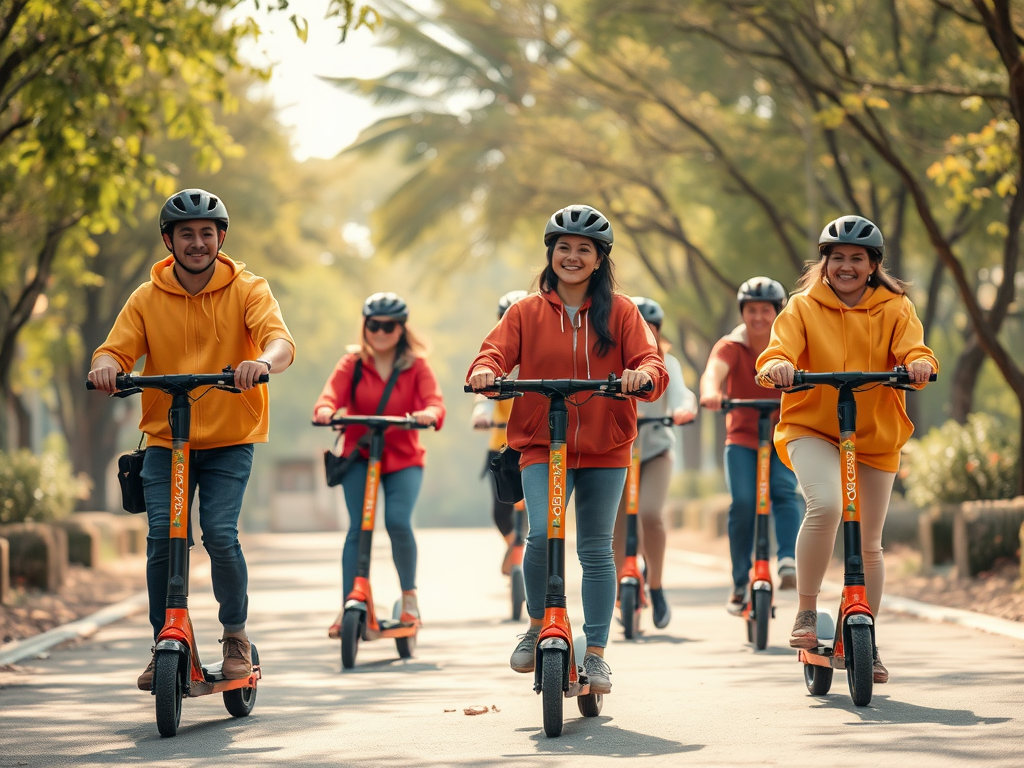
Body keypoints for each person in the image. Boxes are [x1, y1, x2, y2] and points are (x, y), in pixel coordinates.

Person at [89, 188, 296, 689]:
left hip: (229, 438)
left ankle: (235, 637)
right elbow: (114, 351)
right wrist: (105, 369)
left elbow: (279, 341)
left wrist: (261, 363)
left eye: (207, 233)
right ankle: (165, 637)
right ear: (169, 241)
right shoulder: (146, 297)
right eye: (187, 234)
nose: (198, 242)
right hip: (165, 441)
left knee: (220, 535)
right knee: (162, 538)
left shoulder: (249, 288)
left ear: (220, 238)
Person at [467, 204, 668, 694]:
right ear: (550, 254)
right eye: (564, 248)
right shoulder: (525, 312)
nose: (573, 257)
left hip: (606, 445)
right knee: (540, 536)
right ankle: (538, 625)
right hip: (540, 442)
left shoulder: (621, 311)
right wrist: (487, 372)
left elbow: (650, 361)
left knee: (597, 550)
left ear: (600, 259)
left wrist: (642, 376)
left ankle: (596, 654)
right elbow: (493, 352)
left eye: (584, 249)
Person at [756, 215, 937, 684]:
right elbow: (779, 350)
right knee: (827, 506)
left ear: (873, 264)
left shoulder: (896, 307)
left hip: (874, 434)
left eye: (858, 259)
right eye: (838, 258)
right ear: (826, 262)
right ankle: (806, 610)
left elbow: (915, 348)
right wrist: (777, 365)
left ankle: (865, 637)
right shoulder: (801, 307)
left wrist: (917, 363)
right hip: (811, 426)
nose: (847, 267)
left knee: (870, 543)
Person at [314, 292, 445, 635]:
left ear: (401, 329)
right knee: (359, 528)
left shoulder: (416, 365)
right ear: (365, 326)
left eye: (389, 326)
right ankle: (349, 603)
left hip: (403, 458)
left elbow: (434, 402)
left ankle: (410, 598)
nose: (381, 332)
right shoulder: (352, 363)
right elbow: (329, 396)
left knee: (398, 522)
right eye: (374, 325)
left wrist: (429, 414)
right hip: (360, 455)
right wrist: (326, 410)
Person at [700, 277, 802, 615]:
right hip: (743, 437)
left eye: (765, 310)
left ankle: (787, 559)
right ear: (743, 313)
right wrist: (712, 392)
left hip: (782, 433)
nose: (758, 317)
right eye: (751, 310)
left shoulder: (790, 343)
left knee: (785, 491)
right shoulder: (731, 345)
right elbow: (714, 371)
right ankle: (740, 581)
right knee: (743, 502)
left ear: (777, 312)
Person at [612, 297, 696, 630]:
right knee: (618, 520)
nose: (645, 333)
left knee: (649, 513)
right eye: (637, 327)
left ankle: (657, 586)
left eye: (652, 329)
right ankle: (622, 584)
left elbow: (682, 395)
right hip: (619, 450)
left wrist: (682, 410)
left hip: (655, 449)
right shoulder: (613, 359)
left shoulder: (667, 363)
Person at [471, 290, 529, 574]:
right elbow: (482, 395)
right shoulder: (496, 357)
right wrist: (481, 414)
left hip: (535, 445)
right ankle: (514, 545)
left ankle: (531, 550)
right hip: (502, 447)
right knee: (500, 512)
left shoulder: (541, 355)